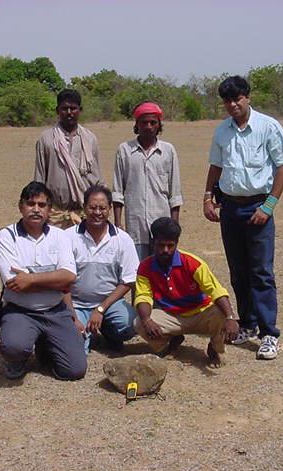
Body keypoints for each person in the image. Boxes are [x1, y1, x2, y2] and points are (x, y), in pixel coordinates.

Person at [203, 75, 283, 360]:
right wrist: (208, 197)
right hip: (231, 209)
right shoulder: (222, 132)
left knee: (261, 273)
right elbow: (216, 167)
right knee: (238, 271)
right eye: (227, 101)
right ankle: (248, 324)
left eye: (237, 99)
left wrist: (268, 206)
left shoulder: (268, 127)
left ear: (248, 97)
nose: (232, 105)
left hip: (258, 208)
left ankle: (269, 334)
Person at [0, 181, 87, 380]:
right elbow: (14, 283)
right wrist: (54, 280)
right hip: (20, 310)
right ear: (21, 207)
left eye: (42, 205)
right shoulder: (6, 236)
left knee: (75, 370)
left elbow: (69, 277)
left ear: (50, 210)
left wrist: (30, 279)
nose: (36, 209)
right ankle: (16, 359)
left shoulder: (60, 236)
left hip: (55, 310)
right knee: (14, 346)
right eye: (30, 204)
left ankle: (45, 345)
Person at [134, 217, 239, 367]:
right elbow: (143, 296)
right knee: (139, 323)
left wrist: (230, 318)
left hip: (201, 314)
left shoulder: (192, 263)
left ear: (177, 243)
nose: (165, 250)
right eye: (161, 245)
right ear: (153, 243)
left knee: (221, 312)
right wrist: (147, 321)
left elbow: (215, 290)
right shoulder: (145, 267)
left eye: (170, 246)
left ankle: (215, 348)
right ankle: (170, 342)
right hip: (172, 316)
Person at [64, 185, 139, 353]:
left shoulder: (122, 239)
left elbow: (128, 280)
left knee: (131, 323)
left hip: (110, 304)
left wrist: (100, 309)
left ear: (110, 209)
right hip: (77, 304)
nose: (97, 212)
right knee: (74, 346)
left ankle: (111, 332)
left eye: (102, 208)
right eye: (92, 207)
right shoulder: (68, 237)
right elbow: (62, 282)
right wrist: (73, 315)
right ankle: (85, 334)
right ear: (84, 208)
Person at [112, 101, 183, 260]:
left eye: (153, 122)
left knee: (162, 272)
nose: (149, 126)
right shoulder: (125, 150)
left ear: (159, 125)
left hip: (162, 222)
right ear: (137, 124)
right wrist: (118, 224)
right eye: (144, 122)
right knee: (138, 271)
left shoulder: (168, 151)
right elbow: (117, 191)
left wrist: (174, 227)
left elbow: (175, 193)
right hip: (136, 226)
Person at [34, 89, 103, 228]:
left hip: (84, 214)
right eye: (65, 108)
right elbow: (40, 178)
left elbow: (96, 177)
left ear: (80, 110)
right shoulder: (46, 139)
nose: (69, 112)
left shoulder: (90, 139)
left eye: (73, 108)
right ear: (57, 111)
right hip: (55, 215)